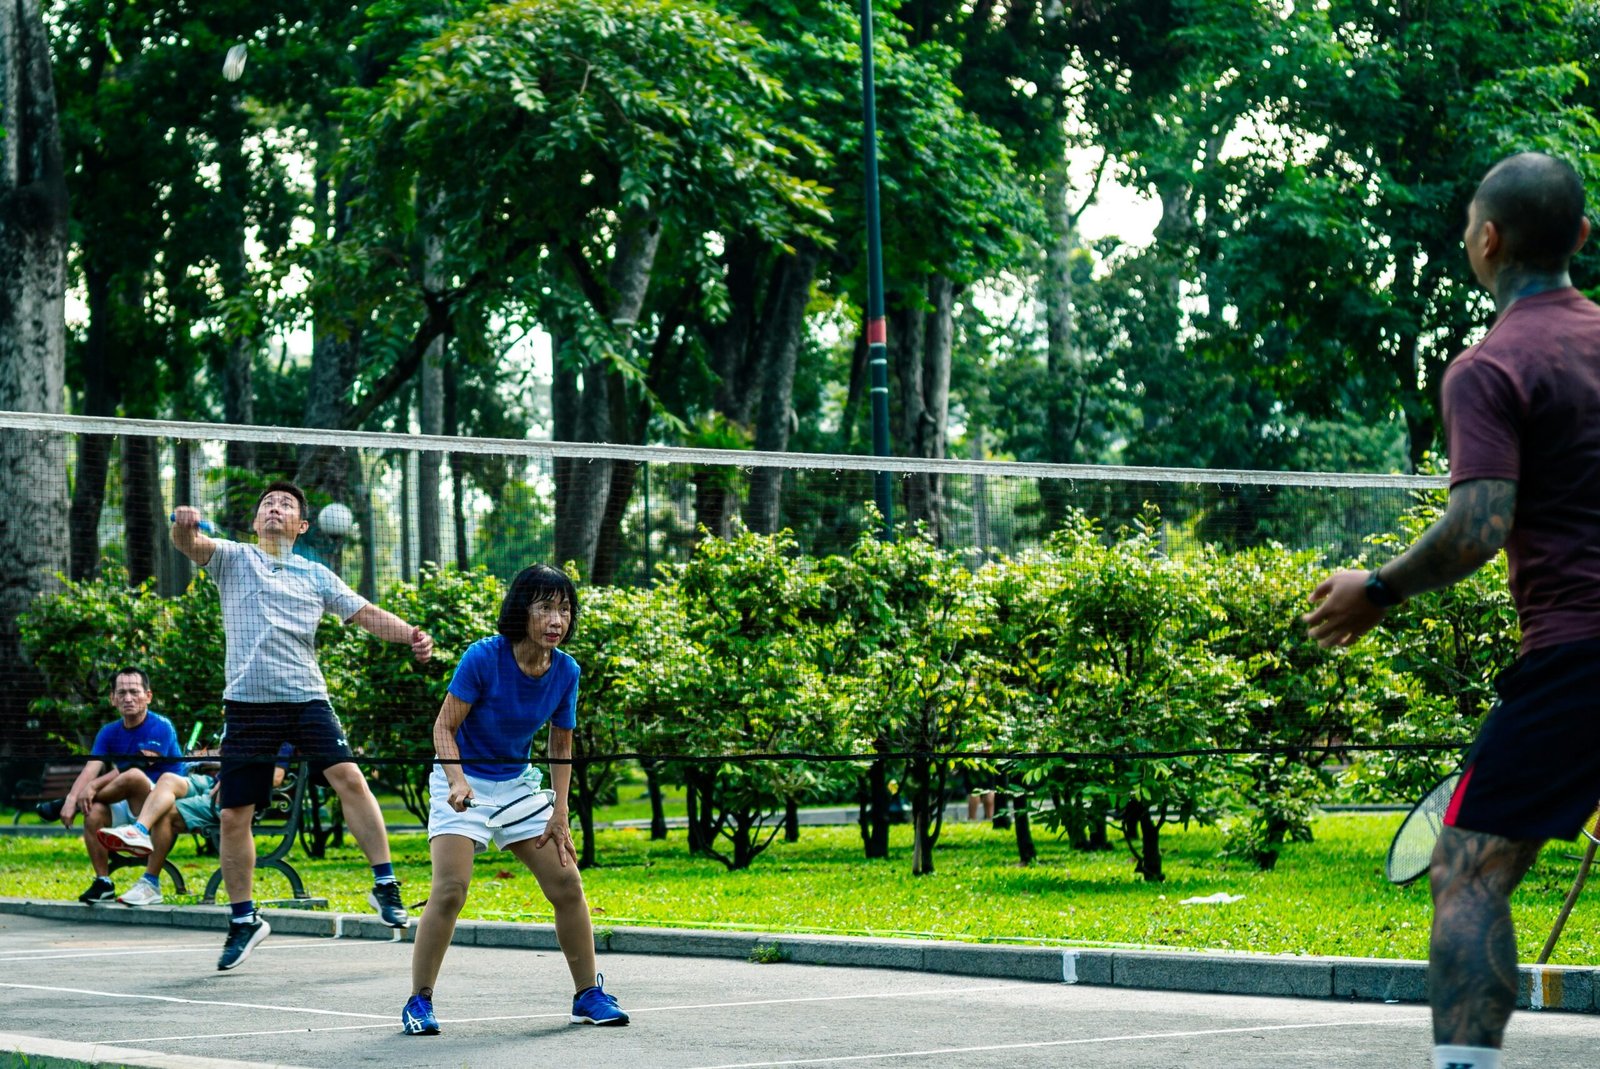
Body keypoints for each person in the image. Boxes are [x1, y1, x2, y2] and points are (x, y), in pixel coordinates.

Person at [1304, 151, 1599, 1069]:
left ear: (1485, 240)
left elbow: (1478, 527)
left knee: (1469, 871)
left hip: (1578, 655)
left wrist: (1377, 588)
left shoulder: (1493, 365)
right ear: (1581, 238)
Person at [171, 481, 434, 971]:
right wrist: (182, 526)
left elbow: (366, 614)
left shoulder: (316, 575)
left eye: (286, 505)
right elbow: (191, 545)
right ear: (255, 522)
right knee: (233, 815)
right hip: (247, 705)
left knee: (349, 778)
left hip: (305, 697)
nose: (275, 508)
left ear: (302, 526)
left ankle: (384, 883)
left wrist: (412, 636)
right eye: (267, 504)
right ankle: (244, 918)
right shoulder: (232, 558)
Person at [402, 564, 627, 1035]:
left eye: (564, 610)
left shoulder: (566, 671)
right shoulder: (484, 658)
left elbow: (560, 746)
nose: (556, 620)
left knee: (567, 883)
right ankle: (418, 1002)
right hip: (461, 781)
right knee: (450, 889)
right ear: (521, 611)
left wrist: (560, 813)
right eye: (545, 607)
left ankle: (587, 994)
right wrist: (457, 781)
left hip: (517, 786)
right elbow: (444, 727)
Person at [99, 743, 293, 906]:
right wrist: (207, 758)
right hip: (212, 783)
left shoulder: (280, 739)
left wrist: (233, 778)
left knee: (165, 814)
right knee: (167, 779)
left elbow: (276, 778)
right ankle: (139, 830)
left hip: (231, 798)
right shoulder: (246, 729)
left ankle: (150, 883)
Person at [60, 668, 187, 904]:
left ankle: (150, 880)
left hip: (161, 805)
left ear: (148, 696)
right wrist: (71, 799)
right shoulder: (108, 732)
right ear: (113, 699)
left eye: (134, 692)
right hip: (127, 802)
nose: (128, 698)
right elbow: (91, 768)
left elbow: (135, 766)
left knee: (135, 776)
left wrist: (94, 788)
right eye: (122, 693)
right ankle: (103, 882)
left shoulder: (161, 725)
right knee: (94, 811)